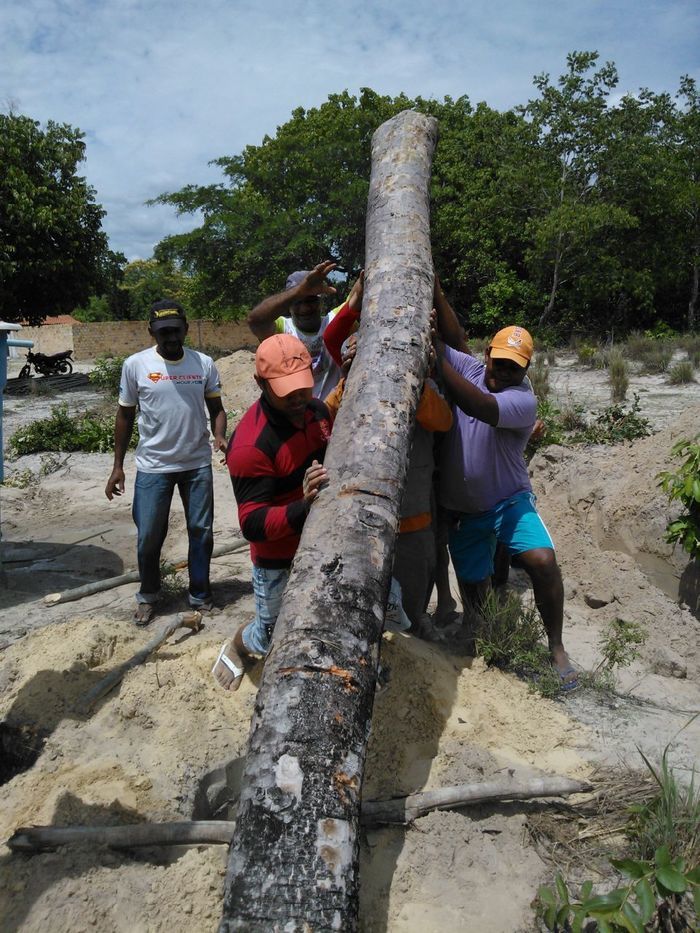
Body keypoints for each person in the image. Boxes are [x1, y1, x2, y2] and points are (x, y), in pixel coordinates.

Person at [433, 284, 577, 691]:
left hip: (508, 500)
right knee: (475, 587)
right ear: (487, 355)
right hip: (462, 510)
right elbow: (449, 339)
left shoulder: (522, 400)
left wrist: (436, 358)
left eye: (513, 368)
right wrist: (439, 294)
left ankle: (556, 647)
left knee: (543, 562)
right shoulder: (472, 368)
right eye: (498, 363)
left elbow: (478, 406)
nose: (501, 373)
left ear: (526, 371)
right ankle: (482, 629)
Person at [212, 333, 330, 692]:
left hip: (320, 538)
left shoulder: (319, 412)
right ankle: (239, 644)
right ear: (260, 383)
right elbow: (252, 524)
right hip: (276, 554)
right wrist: (303, 504)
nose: (298, 399)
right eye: (286, 391)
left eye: (303, 387)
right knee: (271, 633)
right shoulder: (250, 445)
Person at [105, 300, 227, 625]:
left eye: (175, 331)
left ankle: (200, 594)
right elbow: (125, 415)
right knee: (148, 536)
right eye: (163, 333)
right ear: (151, 332)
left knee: (201, 532)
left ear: (186, 328)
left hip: (196, 465)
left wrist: (220, 435)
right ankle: (149, 595)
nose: (170, 338)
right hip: (153, 467)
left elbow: (217, 409)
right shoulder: (135, 365)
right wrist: (117, 466)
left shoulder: (203, 363)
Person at [247, 261, 352, 399]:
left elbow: (360, 293)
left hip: (332, 412)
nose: (304, 308)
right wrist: (300, 291)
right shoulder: (281, 329)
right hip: (294, 414)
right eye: (297, 302)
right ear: (288, 305)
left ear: (320, 302)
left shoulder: (334, 321)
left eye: (310, 300)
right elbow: (255, 321)